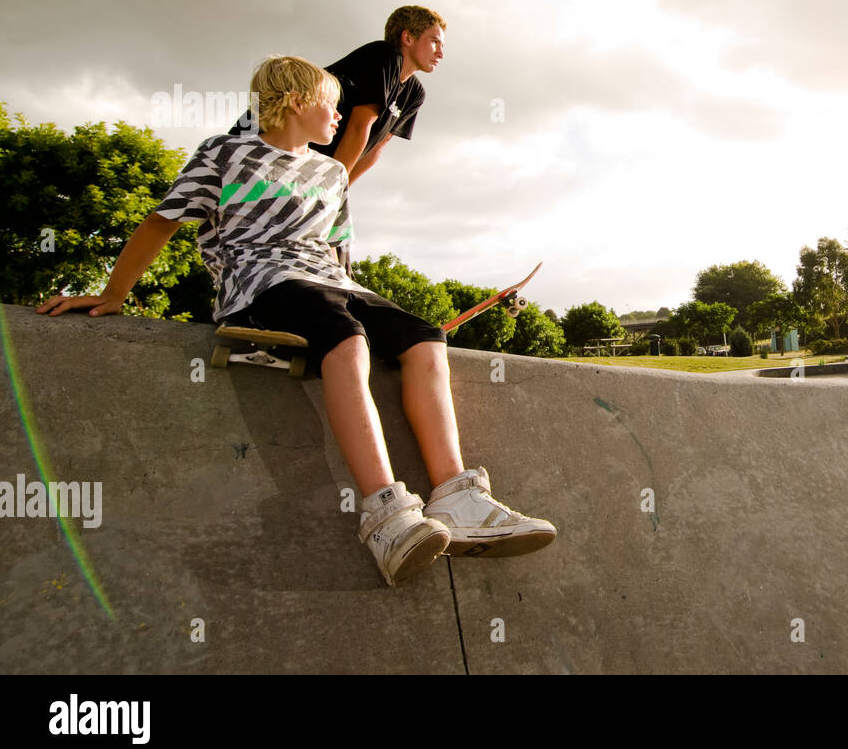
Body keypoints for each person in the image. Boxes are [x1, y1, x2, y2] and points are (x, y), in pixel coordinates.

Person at [38, 56, 554, 587]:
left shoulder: (332, 173)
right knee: (345, 339)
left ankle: (457, 500)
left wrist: (367, 312)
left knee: (423, 337)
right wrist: (112, 294)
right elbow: (161, 221)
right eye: (332, 105)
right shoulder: (226, 153)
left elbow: (339, 251)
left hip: (330, 280)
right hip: (258, 279)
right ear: (295, 102)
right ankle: (386, 515)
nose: (342, 117)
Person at [233, 6, 446, 186]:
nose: (440, 53)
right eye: (434, 42)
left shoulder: (415, 93)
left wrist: (338, 193)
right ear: (408, 37)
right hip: (255, 139)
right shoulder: (385, 56)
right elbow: (358, 127)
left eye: (443, 46)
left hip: (295, 169)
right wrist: (328, 190)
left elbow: (375, 149)